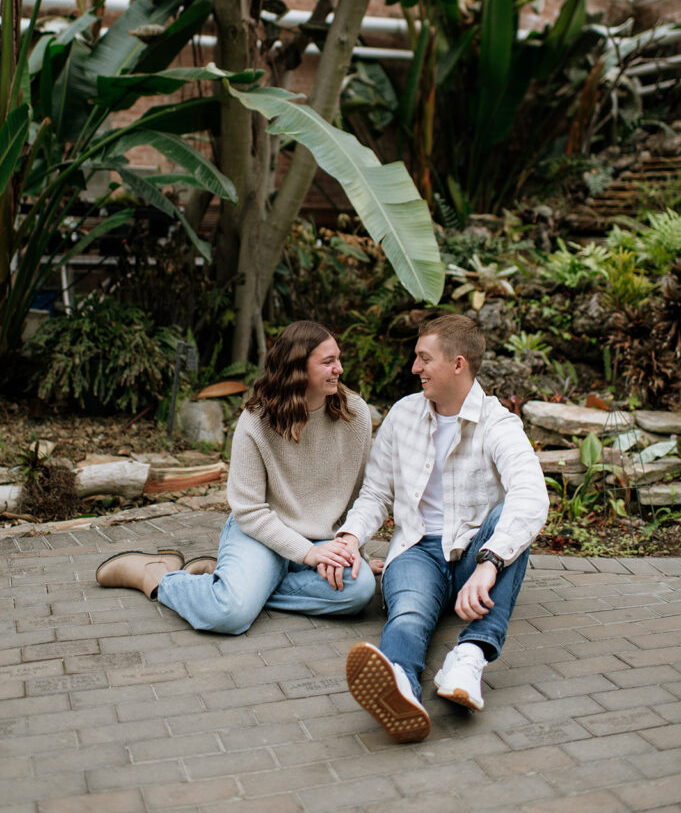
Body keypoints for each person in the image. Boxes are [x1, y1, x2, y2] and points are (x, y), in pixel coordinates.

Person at [337, 314, 549, 743]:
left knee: (512, 515)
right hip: (417, 551)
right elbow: (376, 493)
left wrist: (489, 563)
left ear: (458, 363)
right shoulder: (403, 415)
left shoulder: (497, 423)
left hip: (474, 556)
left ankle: (468, 657)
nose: (414, 368)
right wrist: (349, 537)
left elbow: (532, 495)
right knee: (410, 613)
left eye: (423, 358)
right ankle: (400, 685)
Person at [95, 320, 377, 633]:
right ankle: (159, 576)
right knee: (228, 614)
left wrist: (355, 549)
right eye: (328, 362)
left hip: (322, 537)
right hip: (262, 533)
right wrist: (307, 553)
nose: (339, 368)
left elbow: (360, 491)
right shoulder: (257, 420)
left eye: (338, 359)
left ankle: (236, 583)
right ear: (297, 368)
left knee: (359, 590)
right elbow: (249, 510)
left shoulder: (355, 413)